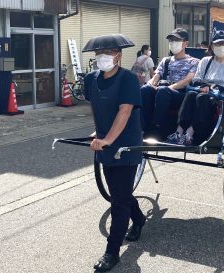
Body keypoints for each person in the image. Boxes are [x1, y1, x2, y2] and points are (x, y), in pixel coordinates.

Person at [82, 34, 146, 272]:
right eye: (99, 54)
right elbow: (97, 108)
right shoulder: (91, 79)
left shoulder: (128, 78)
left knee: (118, 200)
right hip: (105, 143)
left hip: (126, 143)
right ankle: (138, 218)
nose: (103, 58)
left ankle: (112, 253)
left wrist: (108, 139)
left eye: (108, 53)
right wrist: (97, 132)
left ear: (118, 55)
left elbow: (125, 111)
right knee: (119, 193)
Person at [167, 30, 224, 145]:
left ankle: (190, 131)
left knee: (201, 97)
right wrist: (203, 85)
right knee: (191, 94)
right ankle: (179, 131)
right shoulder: (205, 61)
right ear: (212, 46)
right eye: (217, 44)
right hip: (203, 91)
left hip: (220, 96)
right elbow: (196, 79)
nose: (221, 46)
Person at [140, 28, 199, 137]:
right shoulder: (166, 60)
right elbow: (156, 76)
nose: (172, 43)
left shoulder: (194, 61)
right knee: (145, 89)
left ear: (185, 43)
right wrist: (150, 85)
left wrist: (169, 88)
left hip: (181, 94)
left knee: (163, 91)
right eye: (171, 41)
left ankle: (156, 127)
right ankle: (141, 127)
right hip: (163, 91)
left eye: (176, 40)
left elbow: (187, 80)